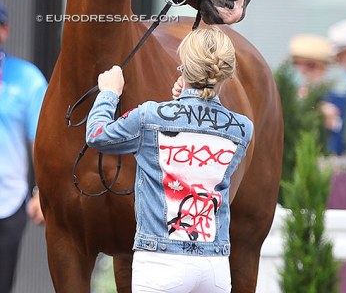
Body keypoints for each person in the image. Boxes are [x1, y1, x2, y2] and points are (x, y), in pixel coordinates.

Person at [86, 26, 253, 293]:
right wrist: (184, 100)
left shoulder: (150, 116)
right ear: (226, 73)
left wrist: (108, 93)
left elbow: (96, 135)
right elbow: (198, 152)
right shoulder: (242, 129)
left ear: (184, 67)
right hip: (214, 264)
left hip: (160, 262)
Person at [0, 1, 47, 293]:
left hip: (8, 204)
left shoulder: (27, 79)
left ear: (4, 30)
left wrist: (43, 191)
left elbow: (40, 142)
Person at [288, 33, 346, 155]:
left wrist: (334, 123)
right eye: (296, 64)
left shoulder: (340, 101)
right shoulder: (287, 100)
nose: (302, 71)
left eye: (311, 66)